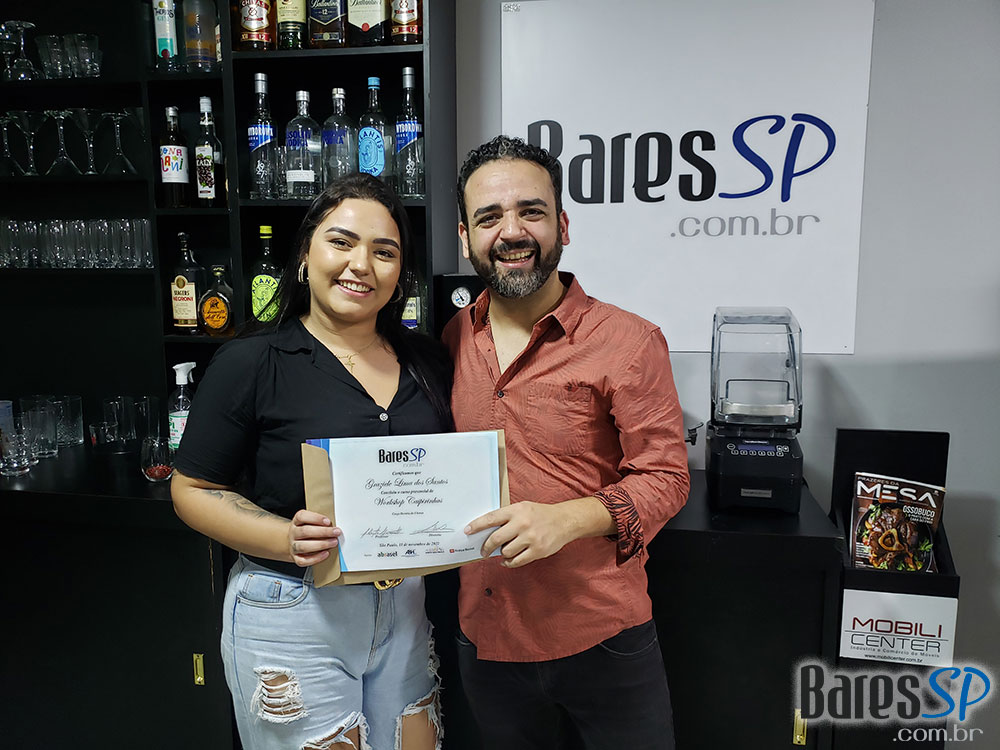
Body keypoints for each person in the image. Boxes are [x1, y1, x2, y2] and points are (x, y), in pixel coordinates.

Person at [171, 173, 450, 750]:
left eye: (384, 251)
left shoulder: (427, 359)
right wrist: (284, 537)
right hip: (291, 607)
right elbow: (192, 489)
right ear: (304, 255)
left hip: (405, 604)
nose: (361, 265)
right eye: (341, 242)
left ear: (401, 273)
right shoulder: (252, 361)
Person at [441, 135, 690, 750]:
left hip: (603, 633)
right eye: (489, 217)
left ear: (563, 225)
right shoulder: (449, 341)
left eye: (531, 211)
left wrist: (566, 520)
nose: (512, 231)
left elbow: (666, 477)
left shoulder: (629, 342)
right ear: (465, 238)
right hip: (486, 635)